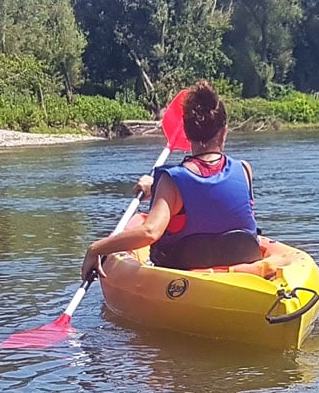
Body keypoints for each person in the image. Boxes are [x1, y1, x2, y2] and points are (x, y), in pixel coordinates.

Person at [82, 83, 276, 281]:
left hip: (184, 278)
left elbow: (150, 232)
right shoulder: (244, 170)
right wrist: (158, 188)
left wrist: (96, 248)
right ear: (224, 131)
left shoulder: (171, 180)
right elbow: (212, 193)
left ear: (187, 133)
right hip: (243, 272)